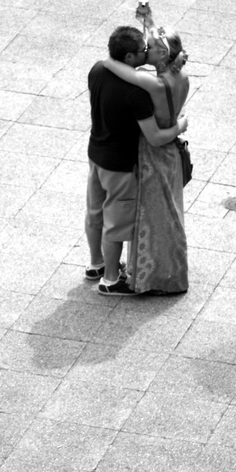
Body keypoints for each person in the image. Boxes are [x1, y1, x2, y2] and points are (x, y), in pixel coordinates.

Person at [85, 26, 187, 294]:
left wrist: (108, 59)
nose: (145, 52)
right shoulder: (138, 91)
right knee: (117, 223)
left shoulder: (97, 70)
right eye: (142, 49)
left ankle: (96, 263)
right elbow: (154, 136)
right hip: (120, 164)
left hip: (95, 153)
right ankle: (109, 279)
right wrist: (180, 127)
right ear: (129, 58)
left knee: (95, 211)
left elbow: (110, 64)